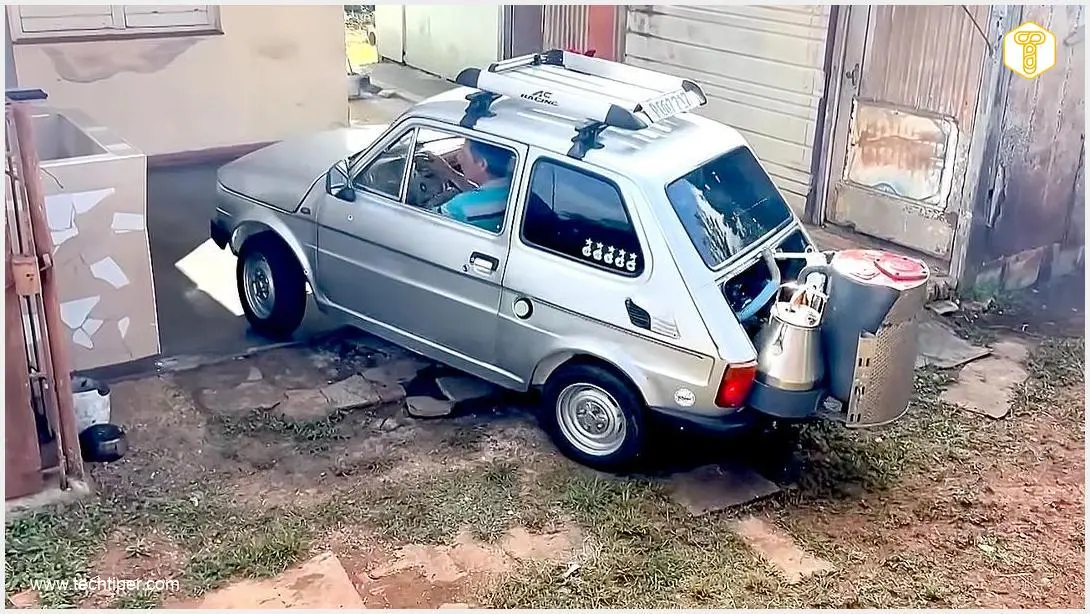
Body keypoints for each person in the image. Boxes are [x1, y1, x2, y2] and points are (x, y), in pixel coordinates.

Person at [419, 139, 513, 233]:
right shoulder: (511, 189)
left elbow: (423, 222)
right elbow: (480, 195)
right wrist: (448, 172)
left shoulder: (460, 206)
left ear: (481, 163)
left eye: (463, 153)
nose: (458, 157)